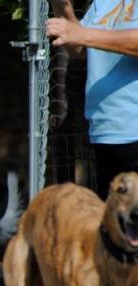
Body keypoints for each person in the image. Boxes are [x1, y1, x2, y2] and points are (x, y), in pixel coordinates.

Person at [48, 0, 138, 199]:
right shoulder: (103, 2)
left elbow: (85, 36)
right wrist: (63, 9)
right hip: (107, 133)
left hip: (135, 132)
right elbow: (79, 49)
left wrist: (83, 34)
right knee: (117, 225)